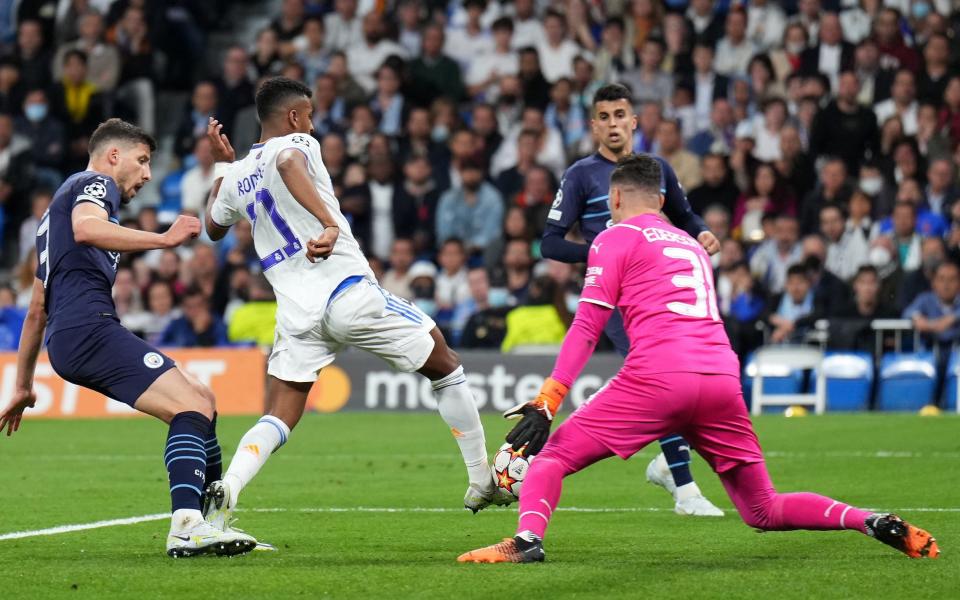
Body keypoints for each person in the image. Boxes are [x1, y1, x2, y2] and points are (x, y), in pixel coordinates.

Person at [457, 154, 939, 563]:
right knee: (763, 510)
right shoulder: (691, 245)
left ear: (616, 199)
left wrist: (549, 398)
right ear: (663, 201)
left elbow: (587, 325)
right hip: (721, 378)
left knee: (554, 454)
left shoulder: (612, 238)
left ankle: (526, 541)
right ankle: (867, 519)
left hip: (657, 377)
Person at [201, 78, 510, 537]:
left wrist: (223, 169)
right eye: (308, 114)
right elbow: (288, 161)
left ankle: (228, 490)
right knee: (444, 363)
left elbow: (212, 227)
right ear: (293, 117)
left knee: (280, 413)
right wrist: (328, 223)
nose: (312, 122)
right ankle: (481, 479)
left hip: (296, 314)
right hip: (346, 290)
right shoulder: (298, 142)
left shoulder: (236, 176)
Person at [0, 118, 256, 558]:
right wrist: (163, 239)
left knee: (200, 399)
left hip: (74, 334)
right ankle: (187, 525)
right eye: (142, 161)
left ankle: (211, 523)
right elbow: (87, 227)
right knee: (192, 404)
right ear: (113, 156)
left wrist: (22, 384)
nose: (148, 174)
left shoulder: (52, 221)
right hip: (88, 329)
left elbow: (37, 309)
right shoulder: (93, 184)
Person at [541, 83, 722, 517]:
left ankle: (668, 463)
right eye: (604, 117)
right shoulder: (580, 175)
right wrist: (604, 250)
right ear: (593, 125)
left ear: (634, 121)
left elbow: (684, 213)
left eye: (620, 115)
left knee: (682, 376)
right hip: (618, 297)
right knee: (663, 377)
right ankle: (685, 490)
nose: (613, 124)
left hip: (663, 291)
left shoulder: (655, 168)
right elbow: (550, 243)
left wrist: (700, 231)